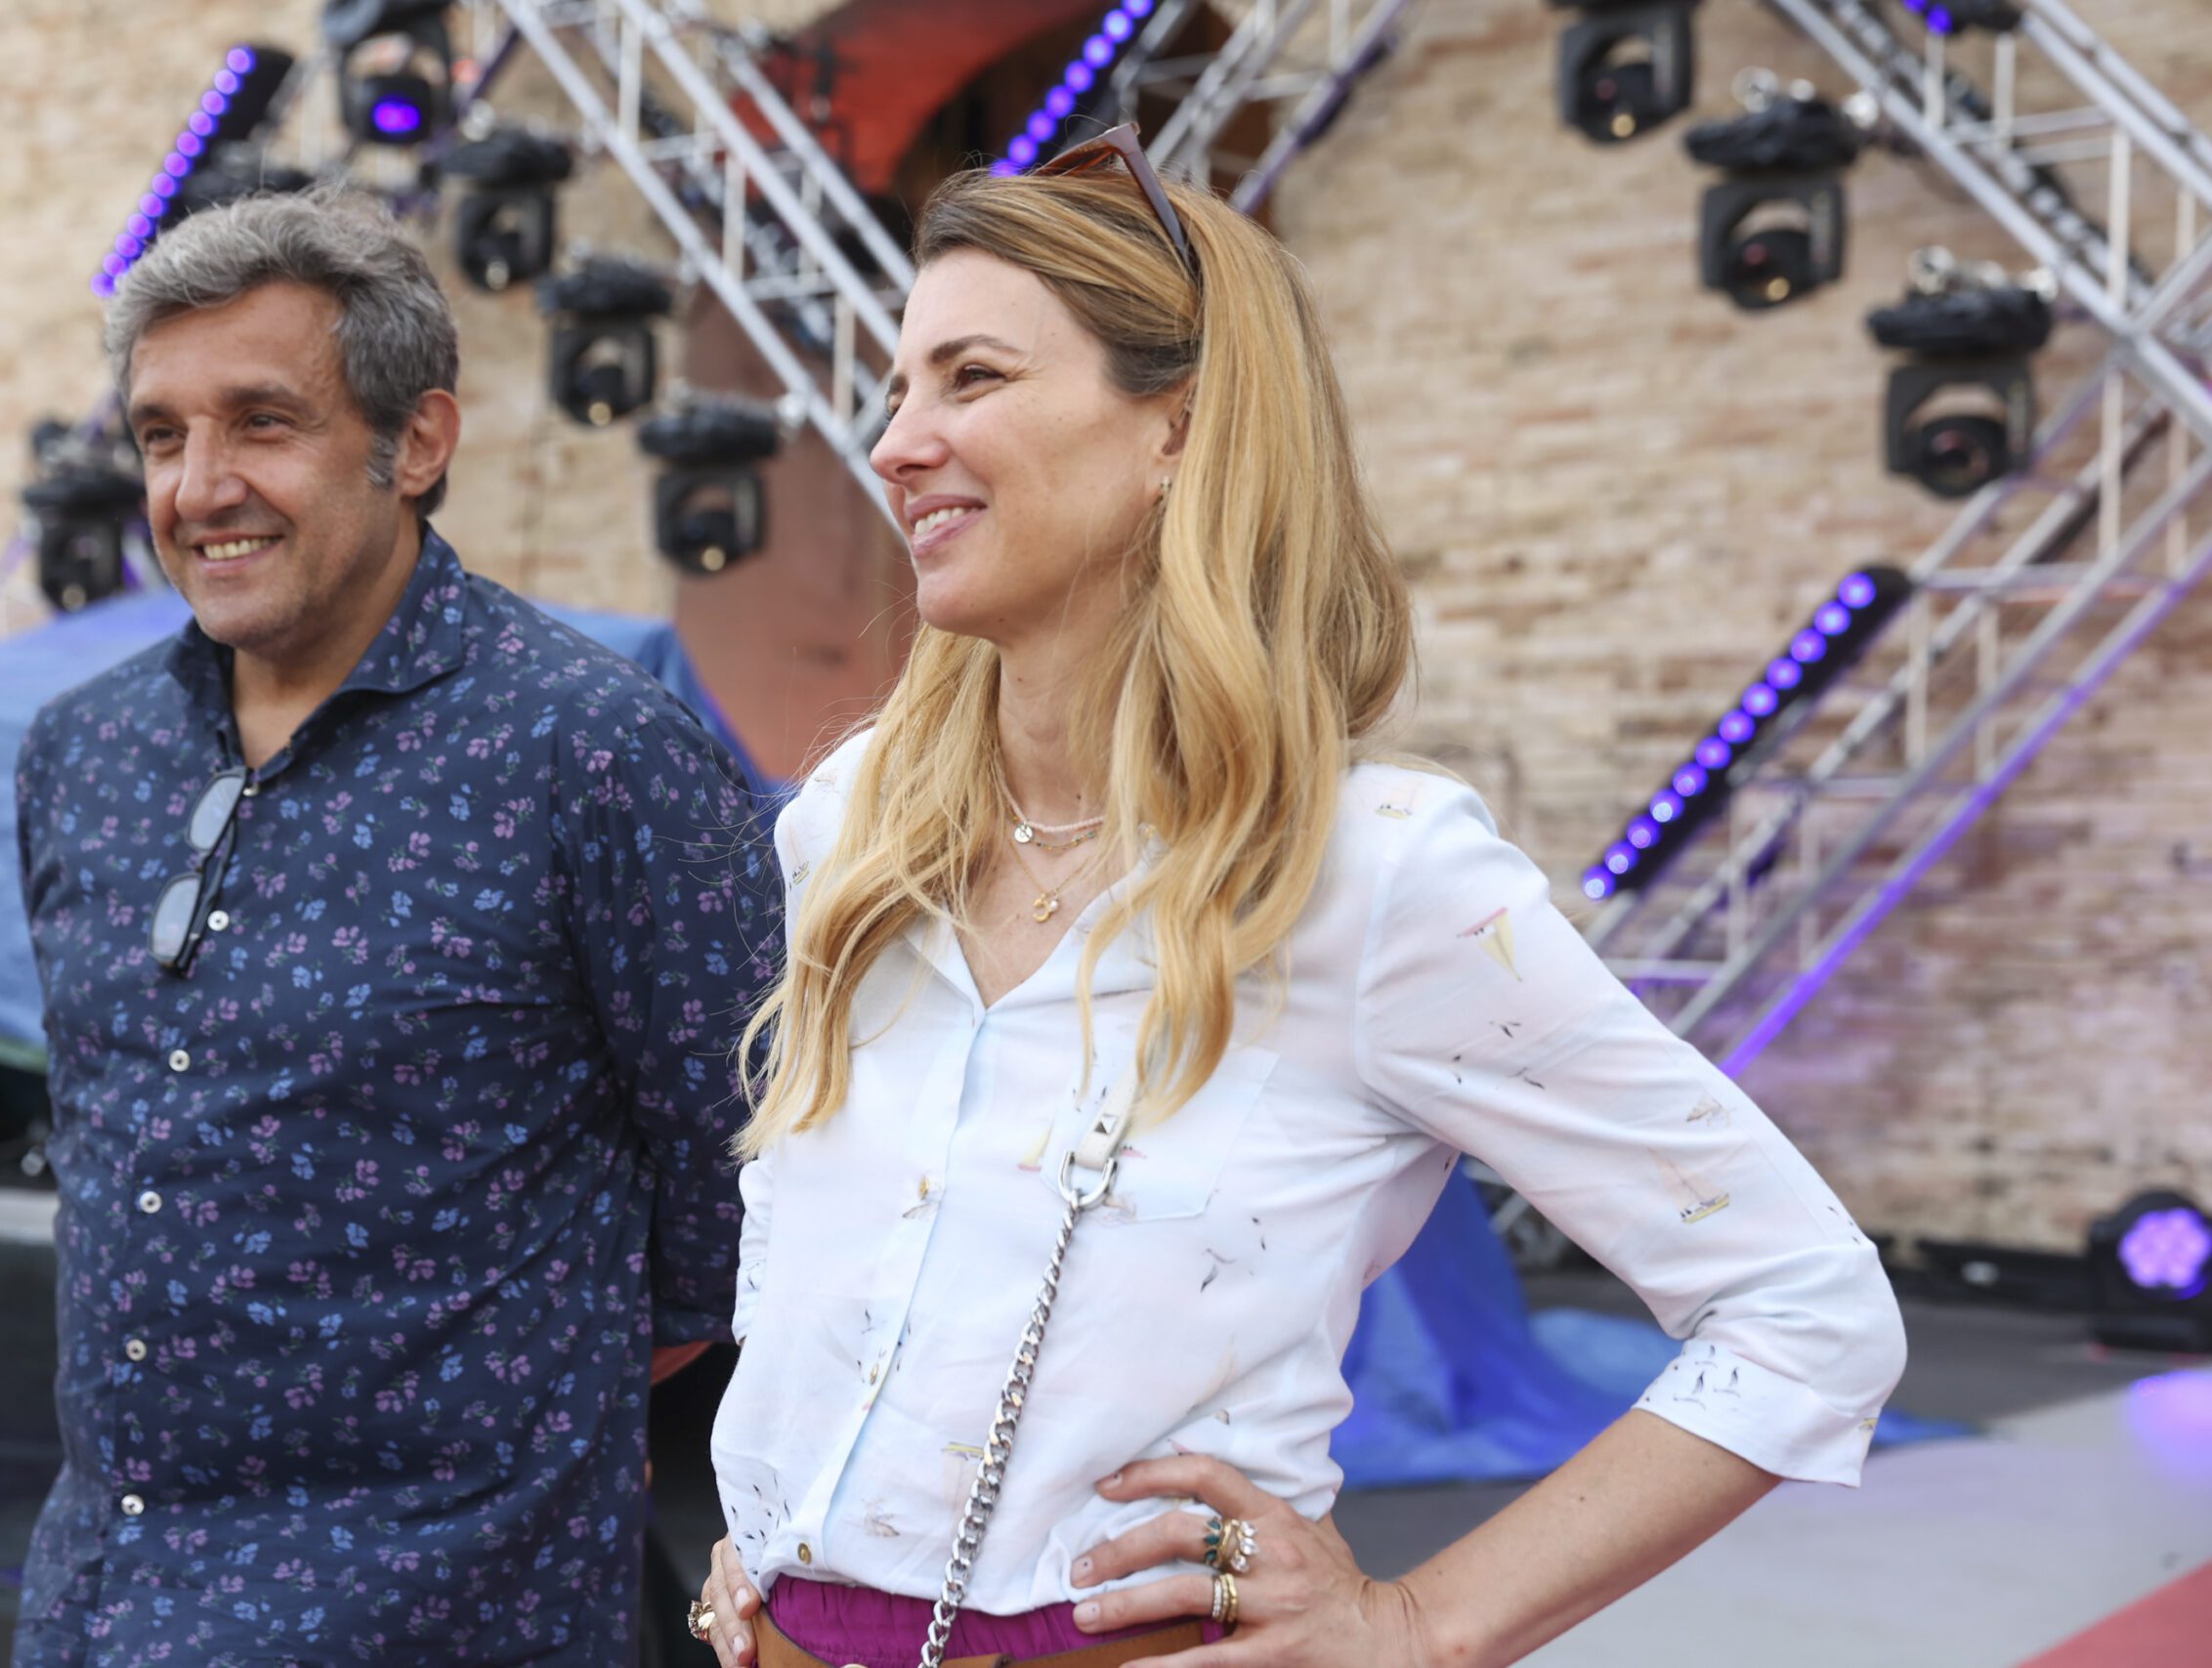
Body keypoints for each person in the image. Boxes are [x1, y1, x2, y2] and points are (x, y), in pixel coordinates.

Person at [690, 129, 1907, 1668]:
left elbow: (1805, 1310)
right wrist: (777, 1513)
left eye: (971, 379)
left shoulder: (1375, 876)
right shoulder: (852, 828)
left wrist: (1422, 1627)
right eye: (895, 392)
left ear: (1179, 430)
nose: (894, 446)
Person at [11, 188, 779, 1665]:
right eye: (162, 436)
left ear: (418, 441)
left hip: (446, 1607)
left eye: (263, 422)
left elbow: (751, 1188)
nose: (200, 486)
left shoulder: (591, 753)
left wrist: (528, 1402)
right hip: (103, 1599)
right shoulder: (80, 755)